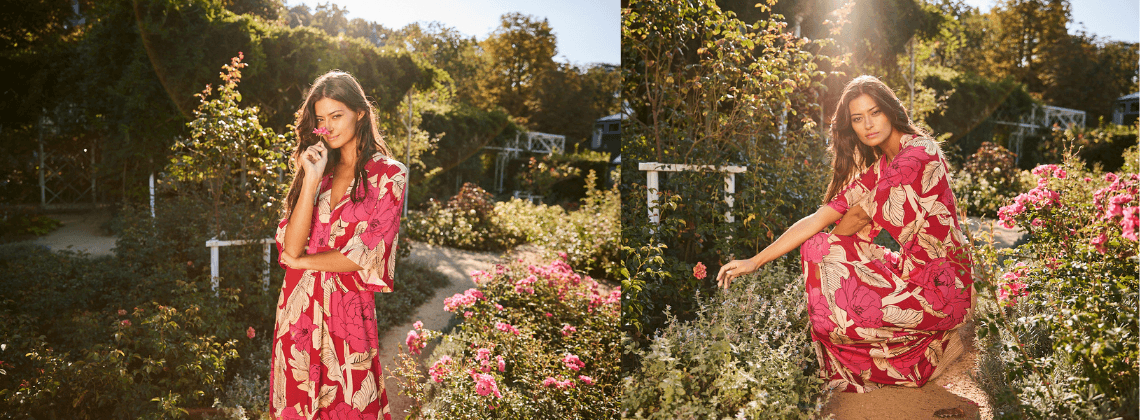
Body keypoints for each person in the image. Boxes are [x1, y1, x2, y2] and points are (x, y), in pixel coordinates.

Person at [716, 75, 972, 393]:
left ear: (891, 111)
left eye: (875, 112)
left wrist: (835, 256)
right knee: (818, 246)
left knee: (827, 250)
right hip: (914, 272)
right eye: (857, 118)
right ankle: (930, 351)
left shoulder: (920, 151)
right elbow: (817, 218)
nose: (868, 124)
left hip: (946, 284)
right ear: (850, 126)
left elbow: (862, 212)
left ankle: (937, 338)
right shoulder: (880, 168)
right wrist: (756, 260)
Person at [270, 70, 407, 419]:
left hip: (348, 314)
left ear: (360, 113)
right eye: (321, 119)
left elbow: (366, 255)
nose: (328, 127)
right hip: (297, 311)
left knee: (351, 405)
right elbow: (290, 244)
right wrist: (312, 180)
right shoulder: (318, 169)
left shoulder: (389, 175)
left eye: (337, 116)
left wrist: (301, 263)